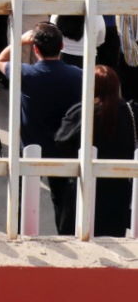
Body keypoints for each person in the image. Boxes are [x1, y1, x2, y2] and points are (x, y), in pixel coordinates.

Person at [0, 23, 84, 235]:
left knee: (24, 197)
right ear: (62, 45)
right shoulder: (78, 74)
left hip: (30, 146)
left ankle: (20, 235)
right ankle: (65, 237)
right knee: (62, 200)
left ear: (35, 49)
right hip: (64, 148)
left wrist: (18, 41)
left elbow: (0, 60)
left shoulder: (26, 73)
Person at [56, 65, 135, 237]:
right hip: (118, 186)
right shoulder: (130, 112)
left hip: (84, 185)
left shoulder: (82, 111)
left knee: (77, 234)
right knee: (113, 238)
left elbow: (61, 141)